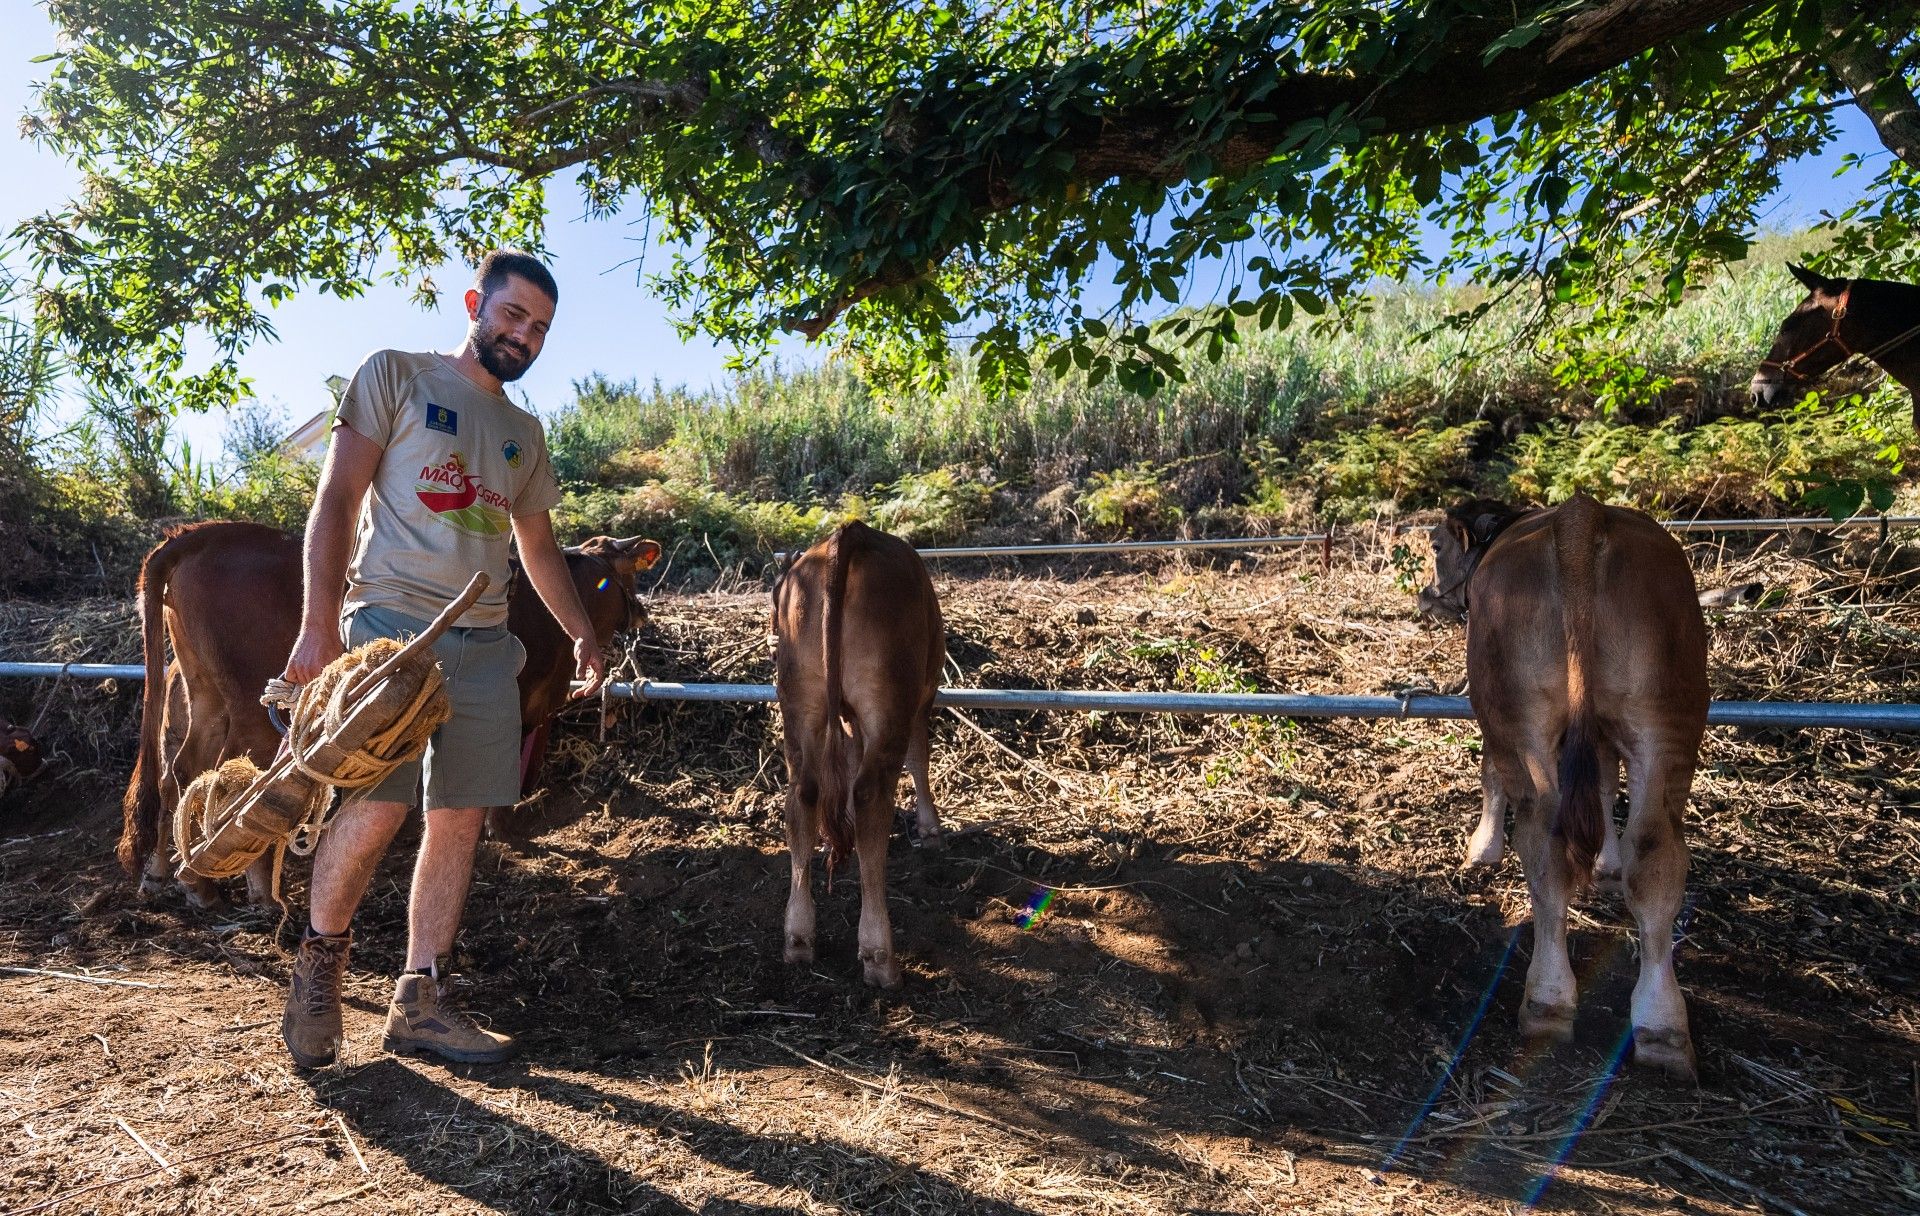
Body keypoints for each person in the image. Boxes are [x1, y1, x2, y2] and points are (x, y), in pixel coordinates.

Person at [278, 250, 605, 1068]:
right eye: (512, 315)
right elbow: (336, 500)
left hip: (485, 640)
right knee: (378, 805)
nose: (523, 335)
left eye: (539, 329)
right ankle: (319, 968)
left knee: (459, 816)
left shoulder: (524, 436)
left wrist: (579, 630)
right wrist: (320, 626)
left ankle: (420, 999)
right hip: (390, 627)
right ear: (476, 303)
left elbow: (537, 546)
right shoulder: (396, 376)